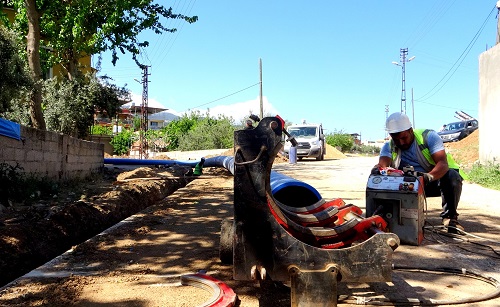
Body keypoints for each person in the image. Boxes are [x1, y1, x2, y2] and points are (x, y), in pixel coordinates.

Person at [374, 112, 466, 233]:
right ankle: (388, 216)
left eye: (403, 137)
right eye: (396, 139)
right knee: (379, 179)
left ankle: (450, 218)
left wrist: (428, 177)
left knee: (452, 176)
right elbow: (383, 165)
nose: (401, 142)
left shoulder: (429, 137)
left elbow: (443, 164)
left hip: (432, 182)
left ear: (410, 130)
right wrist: (378, 169)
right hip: (409, 187)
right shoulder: (388, 146)